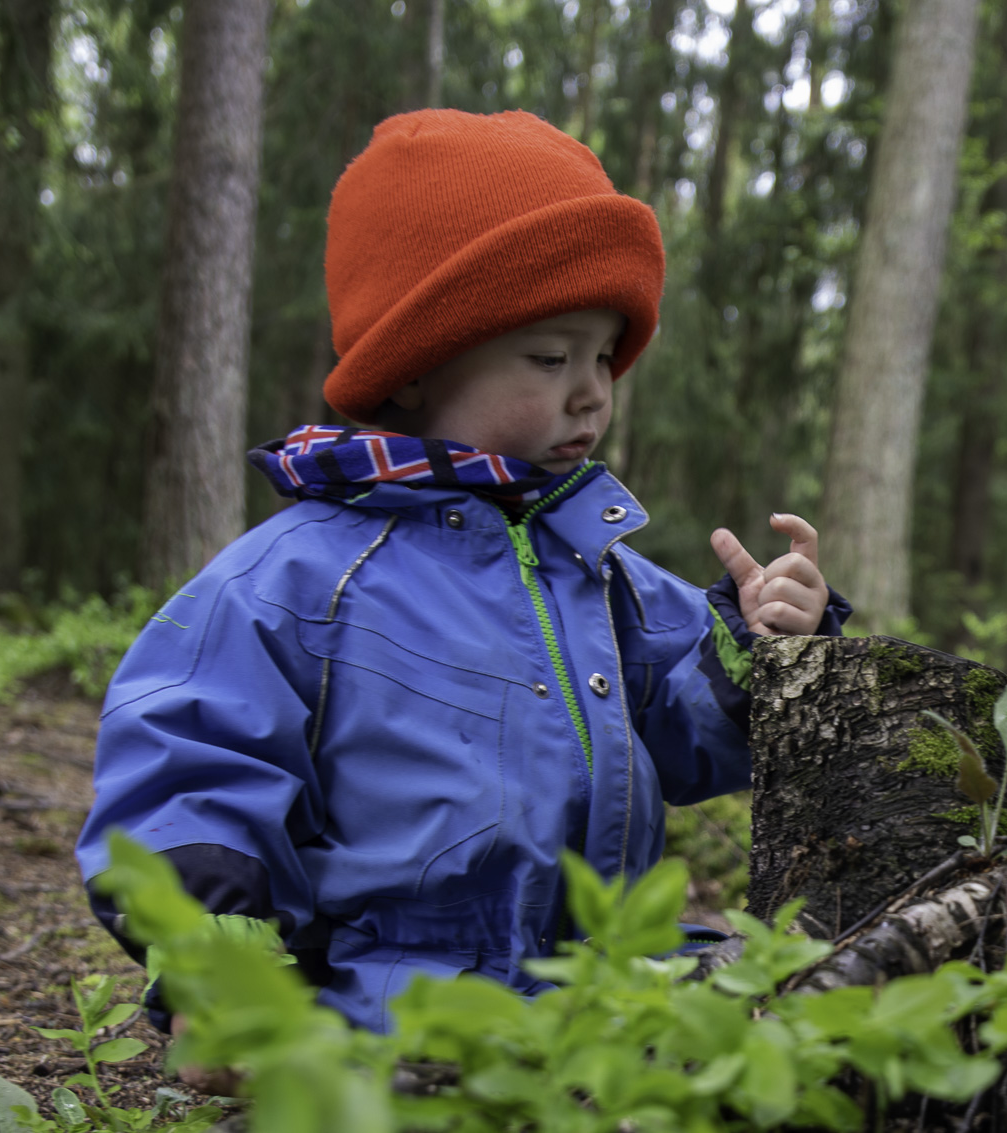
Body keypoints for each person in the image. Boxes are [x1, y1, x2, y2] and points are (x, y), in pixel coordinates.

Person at [75, 109, 851, 1036]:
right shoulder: (302, 575)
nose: (592, 389)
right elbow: (186, 768)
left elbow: (691, 746)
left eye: (605, 355)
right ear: (416, 368)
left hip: (610, 1000)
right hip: (390, 1018)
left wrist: (758, 645)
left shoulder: (604, 573)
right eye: (550, 355)